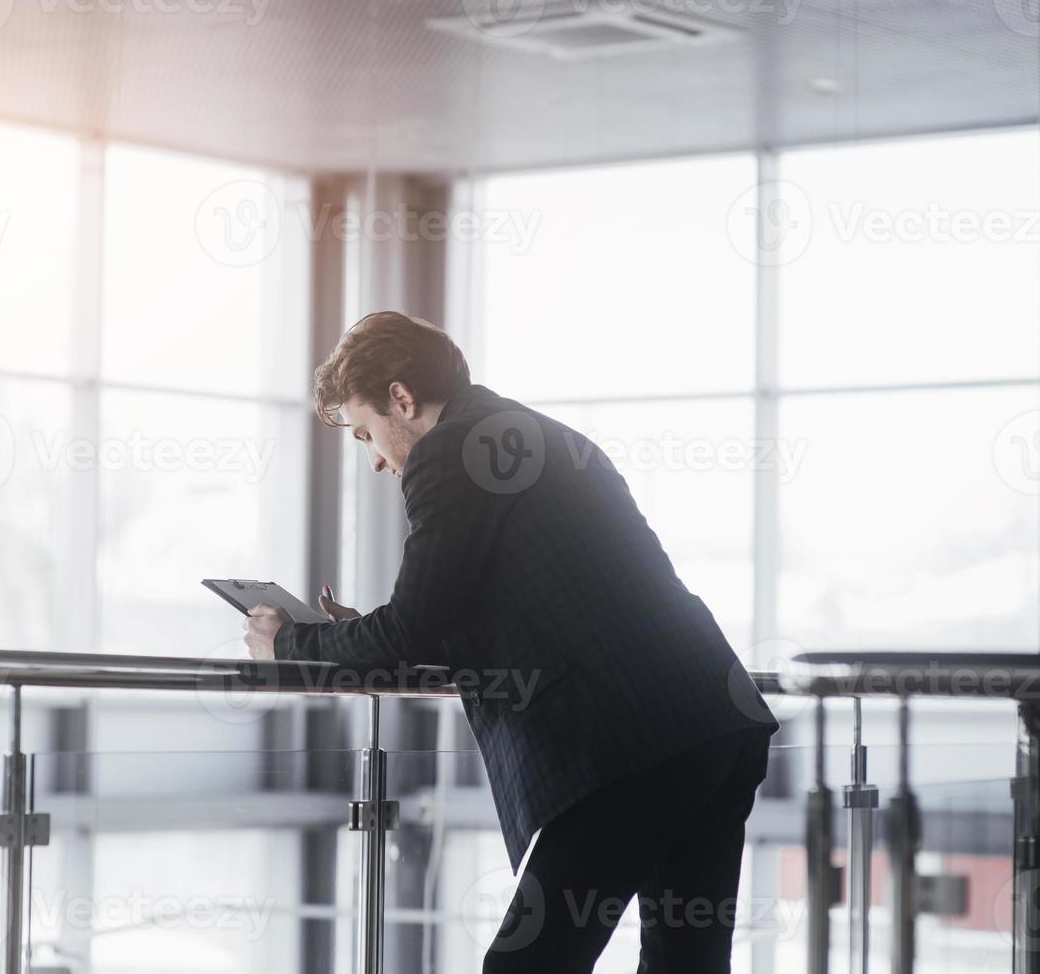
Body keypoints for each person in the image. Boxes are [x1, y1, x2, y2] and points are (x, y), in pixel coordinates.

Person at [243, 310, 779, 973]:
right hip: (711, 720)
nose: (378, 458)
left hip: (630, 749)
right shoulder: (533, 434)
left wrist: (290, 642)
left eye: (368, 432)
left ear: (401, 398)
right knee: (684, 962)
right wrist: (358, 634)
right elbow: (501, 608)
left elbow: (413, 626)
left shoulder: (447, 451)